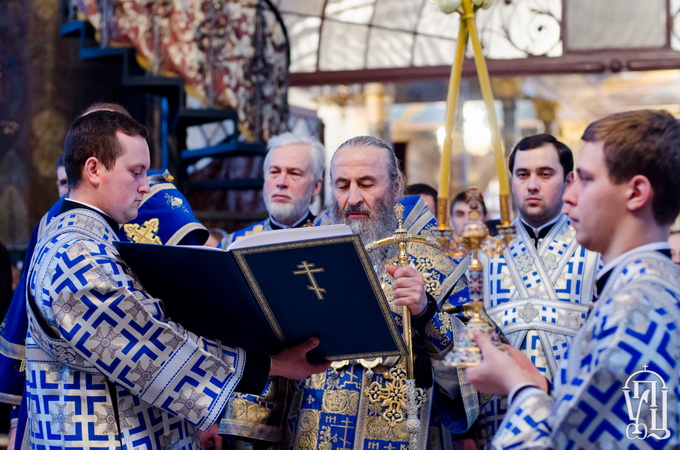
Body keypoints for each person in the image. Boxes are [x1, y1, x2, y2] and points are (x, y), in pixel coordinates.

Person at [24, 110, 328, 448]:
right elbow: (152, 347)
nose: (146, 186)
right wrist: (273, 365)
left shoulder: (86, 239)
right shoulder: (76, 254)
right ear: (93, 169)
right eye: (136, 172)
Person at [467, 109, 680, 448]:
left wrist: (519, 386)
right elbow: (637, 430)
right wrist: (541, 385)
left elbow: (630, 439)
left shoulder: (636, 309)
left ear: (637, 192)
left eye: (586, 178)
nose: (568, 196)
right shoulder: (653, 288)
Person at [282, 136, 472, 449]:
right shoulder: (307, 257)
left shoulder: (437, 265)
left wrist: (427, 313)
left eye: (366, 183)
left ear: (397, 187)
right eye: (342, 185)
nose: (353, 198)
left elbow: (477, 366)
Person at [454, 134, 601, 446]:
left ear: (569, 179)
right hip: (496, 422)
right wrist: (464, 432)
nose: (532, 185)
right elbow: (460, 337)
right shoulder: (481, 251)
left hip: (575, 418)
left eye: (545, 174)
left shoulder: (595, 248)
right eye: (523, 175)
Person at [224, 133, 325, 245]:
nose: (281, 182)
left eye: (294, 173)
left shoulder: (333, 241)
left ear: (316, 186)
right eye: (274, 172)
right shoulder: (233, 244)